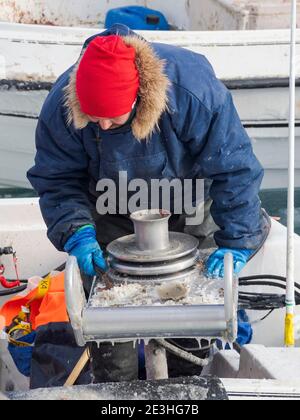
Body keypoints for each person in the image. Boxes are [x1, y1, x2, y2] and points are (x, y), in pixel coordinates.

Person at [27, 24, 270, 382]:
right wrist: (76, 231)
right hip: (110, 207)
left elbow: (235, 168)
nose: (105, 126)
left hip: (189, 203)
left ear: (139, 97)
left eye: (114, 116)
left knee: (193, 317)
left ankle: (188, 380)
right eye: (95, 119)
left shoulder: (192, 90)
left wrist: (237, 242)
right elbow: (57, 180)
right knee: (110, 325)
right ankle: (116, 385)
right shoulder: (60, 107)